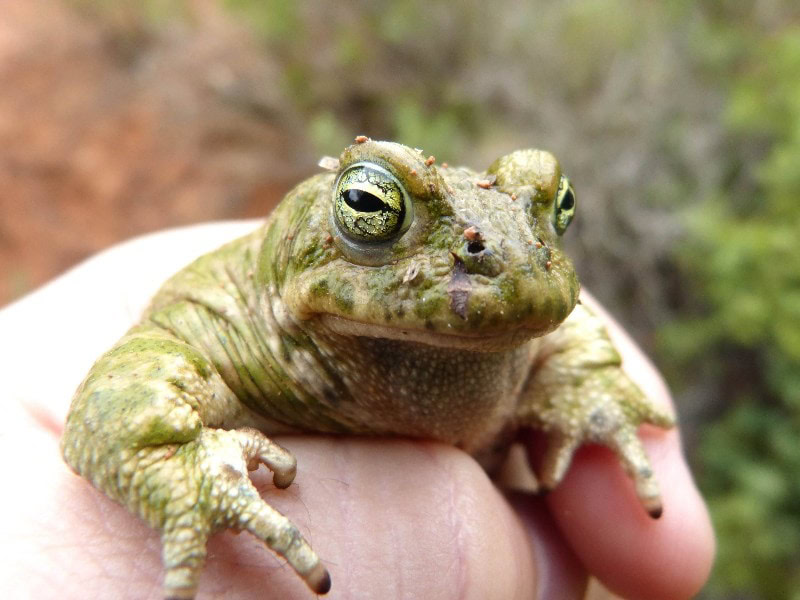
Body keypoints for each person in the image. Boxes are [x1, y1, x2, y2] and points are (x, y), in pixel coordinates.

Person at [0, 222, 714, 599]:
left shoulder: (535, 326)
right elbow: (107, 411)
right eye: (375, 212)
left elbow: (569, 325)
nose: (498, 266)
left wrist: (585, 382)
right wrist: (182, 469)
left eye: (550, 214)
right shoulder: (230, 320)